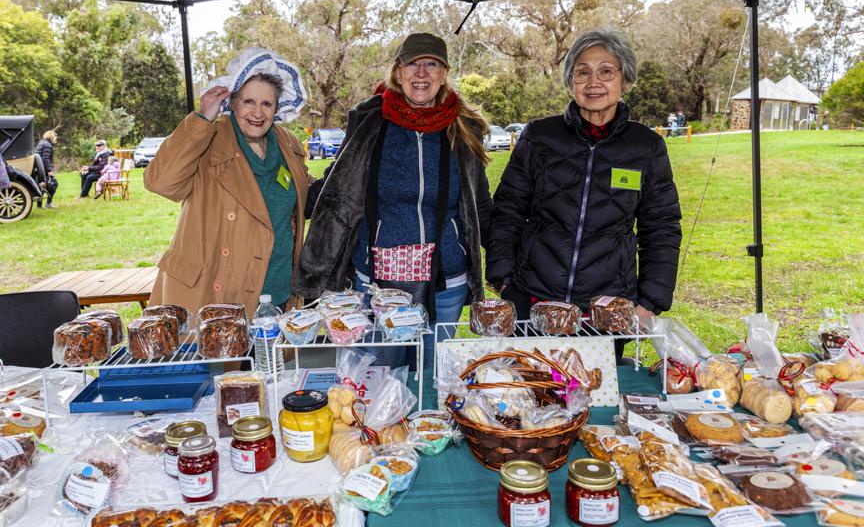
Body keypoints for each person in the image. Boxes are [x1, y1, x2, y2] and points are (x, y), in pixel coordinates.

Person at [293, 32, 494, 369]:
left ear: (444, 74)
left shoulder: (464, 128)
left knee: (433, 378)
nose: (421, 73)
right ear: (398, 72)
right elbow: (339, 186)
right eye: (412, 64)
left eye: (432, 65)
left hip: (445, 284)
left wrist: (502, 263)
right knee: (377, 376)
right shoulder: (370, 122)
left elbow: (480, 204)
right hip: (377, 286)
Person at [486, 27, 682, 363]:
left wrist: (650, 301)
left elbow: (661, 227)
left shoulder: (646, 147)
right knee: (526, 400)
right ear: (570, 80)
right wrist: (503, 277)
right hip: (533, 301)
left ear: (626, 81)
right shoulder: (539, 136)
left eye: (606, 71)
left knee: (596, 401)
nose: (594, 83)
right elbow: (507, 209)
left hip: (605, 311)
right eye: (583, 72)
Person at [144, 47, 312, 318]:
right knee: (224, 362)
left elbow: (302, 193)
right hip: (218, 295)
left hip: (277, 294)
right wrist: (201, 120)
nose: (257, 113)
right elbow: (160, 182)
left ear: (276, 108)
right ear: (232, 102)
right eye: (248, 101)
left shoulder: (286, 143)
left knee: (270, 362)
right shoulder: (209, 138)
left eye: (266, 104)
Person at [35, 130, 58, 208]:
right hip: (43, 169)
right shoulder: (47, 145)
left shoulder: (42, 143)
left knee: (41, 186)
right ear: (51, 136)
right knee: (53, 184)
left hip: (38, 168)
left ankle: (39, 205)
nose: (56, 137)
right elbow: (45, 159)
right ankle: (49, 203)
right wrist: (49, 170)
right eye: (55, 136)